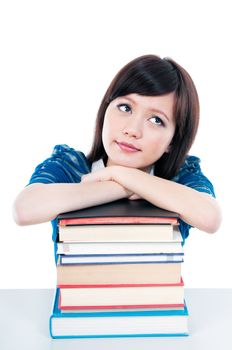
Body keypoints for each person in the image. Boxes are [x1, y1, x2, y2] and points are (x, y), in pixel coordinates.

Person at [13, 54, 222, 244]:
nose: (132, 130)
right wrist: (126, 183)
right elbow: (24, 210)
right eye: (125, 108)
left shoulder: (180, 178)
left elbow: (210, 218)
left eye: (156, 120)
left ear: (173, 141)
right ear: (106, 110)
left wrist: (120, 174)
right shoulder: (71, 166)